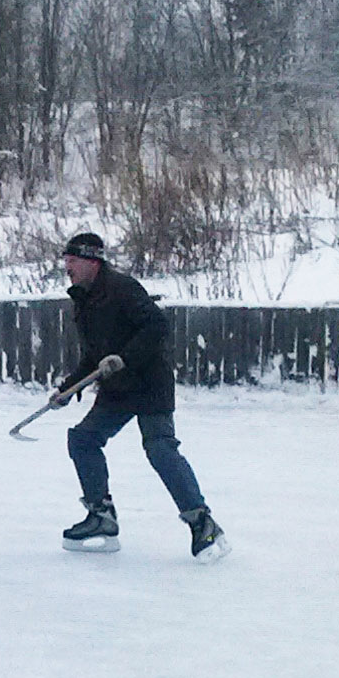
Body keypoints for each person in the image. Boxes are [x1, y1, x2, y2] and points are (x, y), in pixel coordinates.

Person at [51, 233, 228, 560]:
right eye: (66, 261)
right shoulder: (84, 299)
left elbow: (156, 327)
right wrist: (69, 387)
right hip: (117, 389)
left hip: (149, 382)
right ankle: (101, 517)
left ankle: (202, 523)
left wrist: (125, 358)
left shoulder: (122, 288)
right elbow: (94, 356)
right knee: (83, 440)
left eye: (72, 261)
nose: (67, 268)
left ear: (92, 261)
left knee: (160, 449)